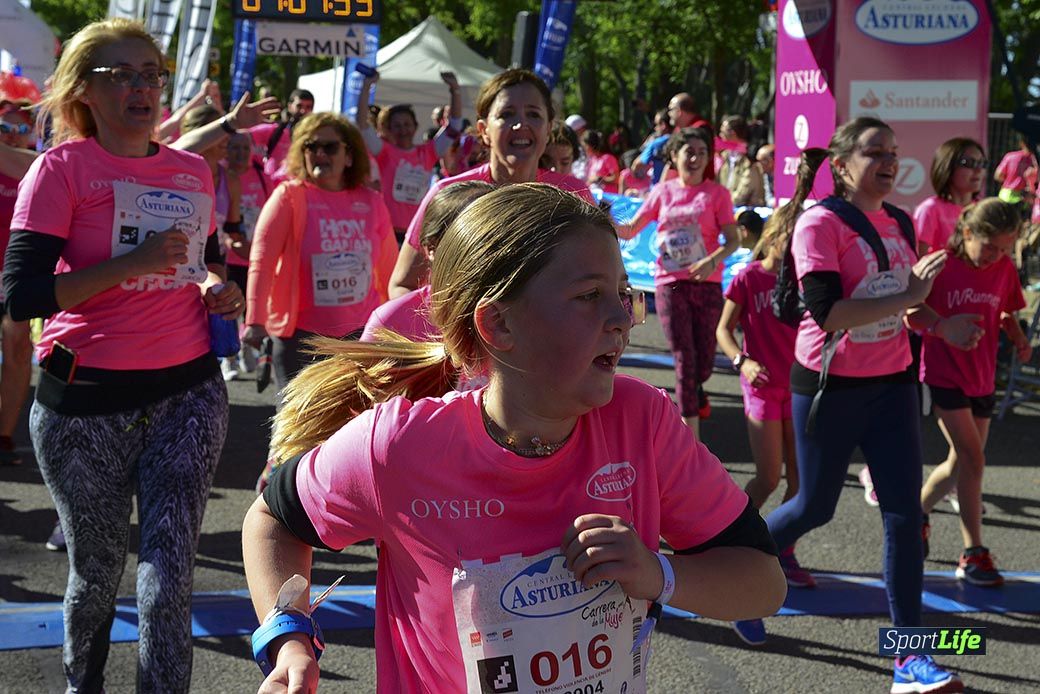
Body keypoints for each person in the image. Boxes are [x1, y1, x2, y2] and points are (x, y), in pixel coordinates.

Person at [241, 183, 787, 693]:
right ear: (499, 324)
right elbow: (272, 520)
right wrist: (288, 638)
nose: (622, 317)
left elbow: (763, 582)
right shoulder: (397, 446)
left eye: (623, 293)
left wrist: (659, 572)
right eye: (590, 295)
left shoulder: (642, 420)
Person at [3, 18, 243, 692]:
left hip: (187, 394)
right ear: (85, 90)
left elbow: (197, 265)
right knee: (98, 572)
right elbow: (21, 296)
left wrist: (220, 289)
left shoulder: (192, 171)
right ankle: (85, 683)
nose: (143, 88)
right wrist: (128, 262)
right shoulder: (60, 170)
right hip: (85, 402)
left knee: (168, 576)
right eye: (123, 75)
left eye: (151, 74)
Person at [753, 117, 978, 692]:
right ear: (844, 162)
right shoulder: (818, 223)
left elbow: (906, 304)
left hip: (894, 384)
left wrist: (941, 325)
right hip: (830, 387)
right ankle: (740, 569)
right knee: (813, 507)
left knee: (905, 515)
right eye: (875, 151)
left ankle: (909, 660)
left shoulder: (899, 221)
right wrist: (911, 297)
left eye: (894, 153)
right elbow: (828, 314)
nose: (889, 161)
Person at [387, 69, 591, 298]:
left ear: (548, 128)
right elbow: (401, 285)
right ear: (484, 131)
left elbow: (598, 280)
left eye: (533, 114)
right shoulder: (448, 195)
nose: (520, 124)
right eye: (507, 114)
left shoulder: (574, 194)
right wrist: (446, 330)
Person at [913, 199, 1030, 586]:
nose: (995, 256)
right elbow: (911, 313)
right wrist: (943, 326)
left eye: (1004, 249)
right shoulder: (940, 264)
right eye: (990, 246)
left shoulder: (1003, 268)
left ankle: (917, 514)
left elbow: (1004, 310)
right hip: (945, 375)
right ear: (967, 233)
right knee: (973, 459)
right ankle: (973, 553)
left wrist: (1015, 335)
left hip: (982, 377)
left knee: (959, 463)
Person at [243, 113, 397, 393]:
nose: (319, 154)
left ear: (349, 156)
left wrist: (396, 325)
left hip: (359, 338)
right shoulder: (288, 197)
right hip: (301, 340)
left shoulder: (371, 202)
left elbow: (390, 271)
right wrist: (255, 321)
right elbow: (261, 262)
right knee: (297, 431)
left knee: (350, 430)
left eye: (330, 147)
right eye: (311, 147)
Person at [716, 211, 809, 646]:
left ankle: (782, 546)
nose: (793, 251)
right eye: (787, 242)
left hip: (800, 387)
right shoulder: (749, 277)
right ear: (772, 238)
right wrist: (743, 361)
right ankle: (730, 537)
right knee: (769, 477)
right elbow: (724, 330)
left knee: (802, 484)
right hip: (762, 388)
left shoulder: (806, 281)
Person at [620, 126, 741, 439]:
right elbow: (631, 229)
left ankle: (696, 392)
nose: (696, 158)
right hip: (670, 284)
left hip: (708, 282)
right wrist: (596, 217)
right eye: (689, 152)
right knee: (684, 359)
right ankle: (692, 440)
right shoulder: (663, 192)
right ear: (674, 156)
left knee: (703, 364)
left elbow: (733, 239)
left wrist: (711, 259)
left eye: (702, 153)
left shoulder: (717, 194)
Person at [360, 180, 495, 343]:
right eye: (474, 235)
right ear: (432, 247)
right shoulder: (391, 322)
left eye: (496, 233)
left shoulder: (514, 313)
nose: (489, 247)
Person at [355, 70, 461, 240]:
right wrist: (367, 86)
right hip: (386, 231)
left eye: (407, 124)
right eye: (396, 126)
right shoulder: (384, 152)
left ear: (416, 126)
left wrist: (455, 89)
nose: (403, 130)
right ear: (389, 129)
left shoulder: (428, 152)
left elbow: (455, 125)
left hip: (416, 234)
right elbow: (362, 125)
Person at [179, 104, 243, 381]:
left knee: (219, 306)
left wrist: (247, 246)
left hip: (214, 258)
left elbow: (232, 226)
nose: (226, 140)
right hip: (176, 259)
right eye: (220, 132)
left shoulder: (230, 179)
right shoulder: (176, 170)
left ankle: (222, 358)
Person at [0, 100, 37, 467]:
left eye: (21, 129)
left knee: (17, 349)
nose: (13, 135)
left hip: (18, 275)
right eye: (4, 128)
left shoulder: (38, 166)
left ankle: (4, 435)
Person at [225, 130, 271, 375]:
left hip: (256, 255)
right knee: (229, 308)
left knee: (250, 308)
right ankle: (229, 357)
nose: (240, 153)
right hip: (228, 256)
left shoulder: (263, 178)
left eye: (245, 148)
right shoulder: (221, 176)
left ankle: (244, 346)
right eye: (235, 148)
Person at [914, 137, 987, 255]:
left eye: (982, 163)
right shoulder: (930, 209)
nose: (979, 170)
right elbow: (919, 260)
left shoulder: (984, 209)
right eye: (968, 163)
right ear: (947, 166)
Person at [636, 93, 705, 186]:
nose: (669, 114)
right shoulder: (679, 131)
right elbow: (671, 165)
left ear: (679, 111)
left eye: (670, 110)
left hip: (695, 190)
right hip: (674, 189)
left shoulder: (700, 129)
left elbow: (636, 165)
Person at [250, 88, 314, 184]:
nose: (303, 111)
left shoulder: (315, 138)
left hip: (299, 193)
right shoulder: (275, 131)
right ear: (290, 107)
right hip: (272, 190)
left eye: (308, 107)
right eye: (299, 106)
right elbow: (241, 137)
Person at [717, 115, 765, 207]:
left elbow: (743, 194)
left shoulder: (750, 159)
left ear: (733, 133)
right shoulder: (724, 157)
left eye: (722, 132)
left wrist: (721, 204)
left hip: (746, 212)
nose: (720, 135)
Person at [993, 134, 1037, 209]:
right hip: (1025, 199)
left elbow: (998, 176)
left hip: (1006, 196)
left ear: (1022, 143)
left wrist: (1011, 180)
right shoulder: (1035, 160)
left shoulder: (1010, 156)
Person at [582, 129, 621, 194]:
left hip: (607, 199)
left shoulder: (608, 158)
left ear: (590, 145)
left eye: (584, 146)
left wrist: (599, 179)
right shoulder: (592, 159)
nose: (584, 149)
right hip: (594, 197)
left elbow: (617, 179)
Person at [755, 143, 776, 208]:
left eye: (761, 161)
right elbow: (768, 198)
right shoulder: (766, 174)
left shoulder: (784, 176)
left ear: (771, 161)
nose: (758, 164)